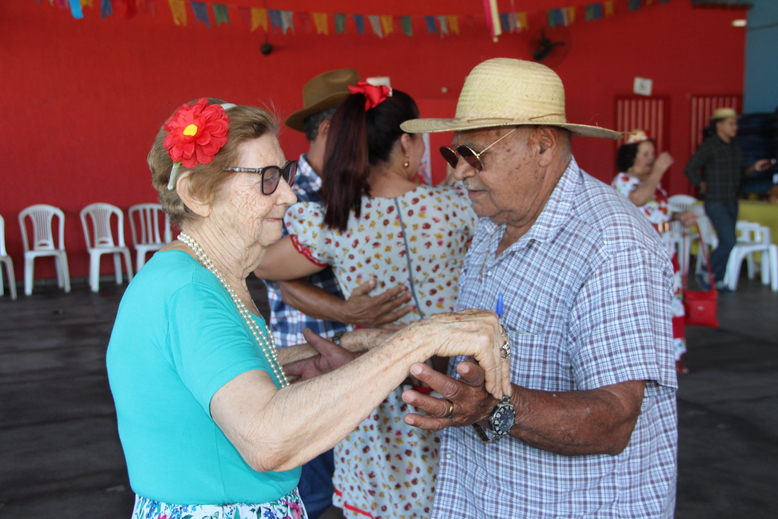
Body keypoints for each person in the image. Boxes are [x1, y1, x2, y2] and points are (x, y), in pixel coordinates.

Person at [105, 97, 510, 519]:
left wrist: (339, 347)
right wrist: (418, 339)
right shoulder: (188, 293)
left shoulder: (197, 278)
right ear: (196, 194)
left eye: (285, 174)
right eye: (266, 179)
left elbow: (210, 376)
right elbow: (267, 439)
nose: (289, 195)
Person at [397, 58, 679, 518]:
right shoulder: (494, 221)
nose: (459, 173)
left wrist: (491, 408)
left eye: (474, 155)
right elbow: (475, 366)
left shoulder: (612, 243)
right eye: (454, 155)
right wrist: (388, 364)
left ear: (542, 146)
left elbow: (614, 419)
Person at [255, 84, 479, 518]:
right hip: (452, 383)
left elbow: (264, 266)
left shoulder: (335, 221)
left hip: (372, 391)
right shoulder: (456, 209)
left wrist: (344, 311)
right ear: (407, 142)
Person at [266, 68, 413, 519]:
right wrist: (348, 309)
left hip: (361, 368)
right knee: (308, 494)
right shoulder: (289, 192)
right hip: (308, 365)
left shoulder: (365, 186)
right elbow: (276, 278)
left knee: (361, 485)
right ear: (331, 130)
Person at [613, 130, 697, 374]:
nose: (651, 158)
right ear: (632, 157)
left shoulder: (653, 182)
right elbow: (637, 201)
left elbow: (658, 212)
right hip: (643, 256)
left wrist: (679, 217)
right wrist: (659, 170)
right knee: (648, 306)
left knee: (670, 304)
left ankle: (672, 357)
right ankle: (649, 360)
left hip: (665, 252)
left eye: (652, 153)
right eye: (645, 154)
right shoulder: (624, 181)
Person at [684, 107, 773, 291]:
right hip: (715, 201)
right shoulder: (710, 146)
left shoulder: (735, 147)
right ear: (719, 125)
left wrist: (754, 168)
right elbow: (690, 168)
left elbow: (741, 174)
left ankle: (717, 280)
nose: (735, 127)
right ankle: (705, 271)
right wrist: (701, 183)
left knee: (728, 241)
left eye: (735, 123)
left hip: (732, 201)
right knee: (729, 240)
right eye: (731, 123)